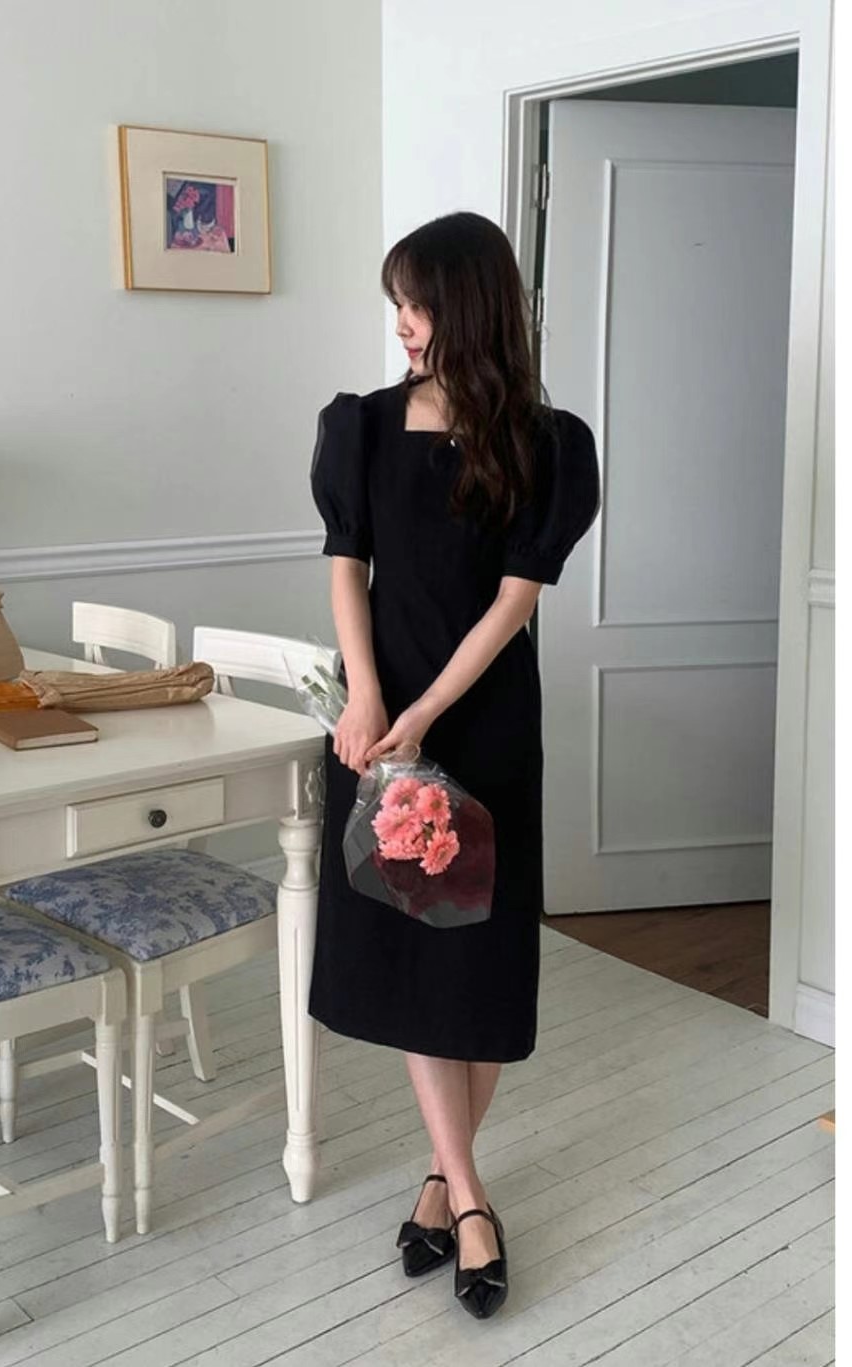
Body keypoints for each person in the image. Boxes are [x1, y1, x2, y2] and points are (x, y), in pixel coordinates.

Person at [308, 210, 601, 1321]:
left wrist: (431, 708)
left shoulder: (548, 441)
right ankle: (472, 1197)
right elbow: (348, 566)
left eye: (418, 302)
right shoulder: (362, 425)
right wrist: (370, 697)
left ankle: (443, 1183)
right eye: (396, 301)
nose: (402, 322)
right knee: (416, 959)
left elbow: (515, 602)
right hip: (380, 725)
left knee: (476, 965)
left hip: (483, 723)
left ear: (468, 306)